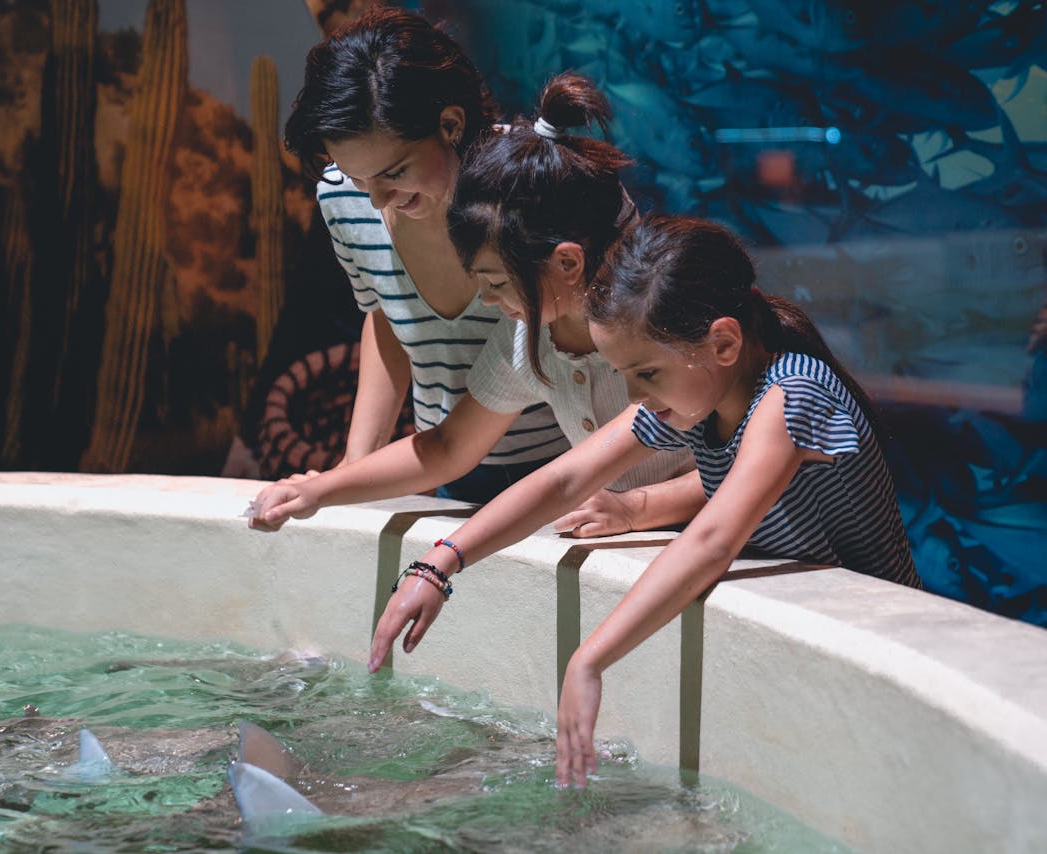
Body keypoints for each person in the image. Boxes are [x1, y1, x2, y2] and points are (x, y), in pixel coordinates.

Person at [369, 214, 923, 788]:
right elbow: (565, 481)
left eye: (646, 371)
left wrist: (589, 660)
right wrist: (440, 562)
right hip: (819, 653)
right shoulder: (702, 392)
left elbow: (712, 540)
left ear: (724, 343)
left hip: (888, 665)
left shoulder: (792, 393)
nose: (634, 395)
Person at [251, 73, 702, 535]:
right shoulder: (526, 339)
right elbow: (449, 446)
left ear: (568, 261)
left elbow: (740, 456)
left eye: (497, 281)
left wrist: (638, 507)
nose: (486, 301)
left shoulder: (652, 320)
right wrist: (325, 487)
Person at [281, 8, 567, 502]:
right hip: (438, 463)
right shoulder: (341, 197)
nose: (374, 200)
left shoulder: (537, 185)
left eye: (393, 172)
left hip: (566, 463)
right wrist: (356, 465)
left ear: (451, 123)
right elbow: (386, 319)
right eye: (355, 175)